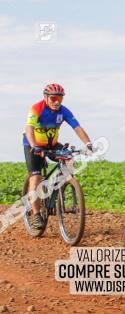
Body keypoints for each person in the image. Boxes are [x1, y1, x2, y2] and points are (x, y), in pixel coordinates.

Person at [23, 83, 94, 230]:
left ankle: (59, 186)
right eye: (53, 98)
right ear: (46, 98)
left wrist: (88, 143)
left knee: (70, 159)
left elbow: (77, 127)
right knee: (35, 178)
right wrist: (34, 145)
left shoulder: (64, 111)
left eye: (60, 99)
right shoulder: (37, 108)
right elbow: (29, 128)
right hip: (33, 145)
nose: (57, 102)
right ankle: (36, 214)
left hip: (52, 144)